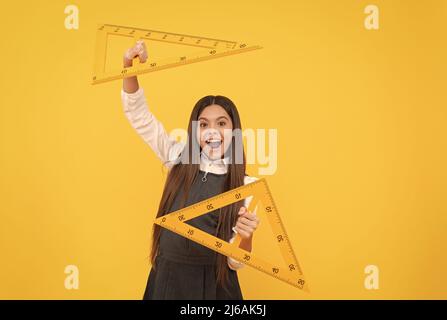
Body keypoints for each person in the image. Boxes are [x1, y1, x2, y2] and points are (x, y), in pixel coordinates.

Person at [121, 40, 260, 300]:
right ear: (195, 131)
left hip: (215, 286)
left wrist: (246, 236)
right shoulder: (177, 158)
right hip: (167, 279)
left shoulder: (247, 184)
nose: (213, 131)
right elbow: (140, 116)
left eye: (222, 123)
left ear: (234, 131)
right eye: (204, 124)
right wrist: (129, 66)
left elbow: (235, 262)